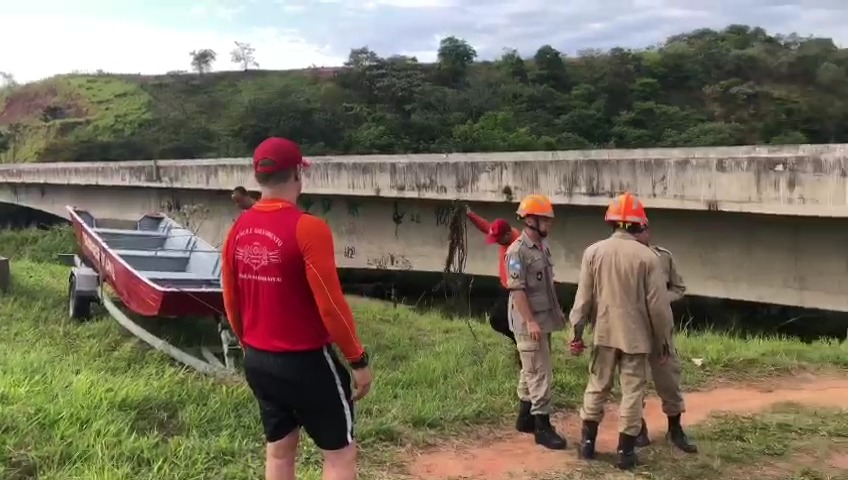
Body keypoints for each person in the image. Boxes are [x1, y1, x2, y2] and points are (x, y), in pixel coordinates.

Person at [221, 136, 373, 480]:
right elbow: (332, 307)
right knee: (339, 454)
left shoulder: (237, 230)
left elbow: (231, 301)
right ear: (297, 175)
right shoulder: (309, 229)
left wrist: (250, 346)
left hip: (258, 360)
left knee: (279, 451)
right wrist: (357, 360)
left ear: (257, 177)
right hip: (306, 363)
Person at [568, 192, 674, 470]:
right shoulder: (648, 257)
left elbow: (583, 300)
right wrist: (663, 340)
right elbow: (659, 308)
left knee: (597, 386)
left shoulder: (593, 252)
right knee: (632, 392)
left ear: (611, 221)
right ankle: (625, 453)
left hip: (603, 333)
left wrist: (576, 333)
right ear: (639, 224)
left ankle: (588, 445)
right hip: (636, 338)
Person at [504, 193, 568, 450]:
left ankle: (524, 418)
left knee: (530, 368)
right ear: (531, 220)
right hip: (529, 321)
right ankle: (542, 426)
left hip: (544, 318)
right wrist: (530, 322)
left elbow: (547, 285)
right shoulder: (517, 251)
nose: (550, 225)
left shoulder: (542, 246)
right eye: (546, 220)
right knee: (540, 372)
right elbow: (517, 290)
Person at [631, 227, 697, 453]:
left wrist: (659, 300)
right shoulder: (622, 258)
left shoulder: (663, 257)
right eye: (633, 230)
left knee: (669, 377)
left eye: (641, 230)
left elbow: (679, 288)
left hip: (661, 329)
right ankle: (637, 429)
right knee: (633, 380)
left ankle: (675, 428)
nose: (638, 234)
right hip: (633, 328)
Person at [464, 206, 520, 348]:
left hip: (513, 290)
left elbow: (519, 273)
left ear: (507, 235)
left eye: (498, 239)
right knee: (500, 320)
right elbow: (486, 227)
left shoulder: (516, 249)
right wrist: (470, 214)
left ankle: (521, 343)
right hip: (504, 287)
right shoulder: (505, 234)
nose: (496, 242)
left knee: (497, 320)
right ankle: (520, 343)